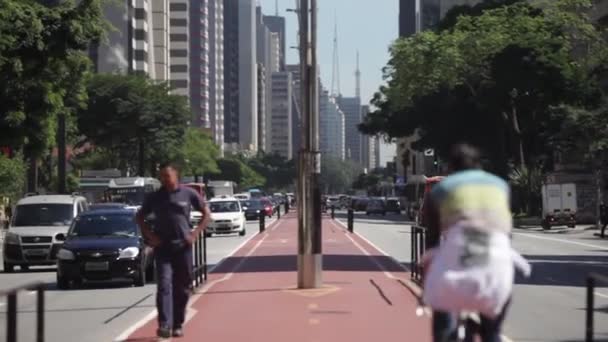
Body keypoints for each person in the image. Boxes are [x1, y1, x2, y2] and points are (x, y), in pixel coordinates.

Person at [422, 144, 530, 342]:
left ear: (451, 168)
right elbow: (507, 233)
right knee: (492, 332)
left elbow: (432, 239)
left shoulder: (441, 189)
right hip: (495, 273)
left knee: (443, 326)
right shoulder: (500, 185)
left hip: (453, 276)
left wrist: (426, 278)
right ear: (479, 164)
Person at [136, 163, 210, 338]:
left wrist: (195, 234)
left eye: (167, 176)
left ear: (176, 176)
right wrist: (150, 236)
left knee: (183, 287)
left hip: (183, 247)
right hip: (163, 248)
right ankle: (164, 324)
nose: (164, 180)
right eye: (162, 176)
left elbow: (206, 214)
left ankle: (177, 324)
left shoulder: (189, 194)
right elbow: (139, 217)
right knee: (164, 285)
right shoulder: (155, 197)